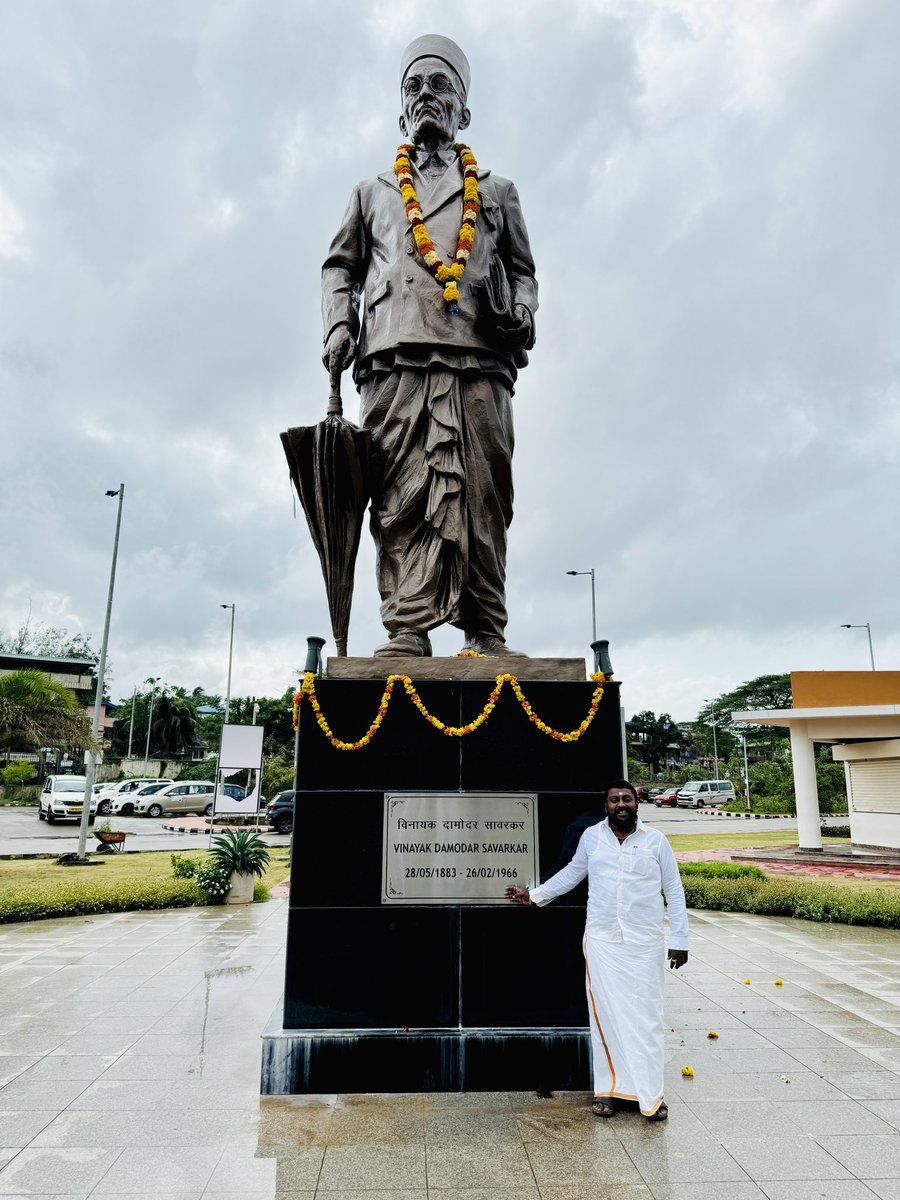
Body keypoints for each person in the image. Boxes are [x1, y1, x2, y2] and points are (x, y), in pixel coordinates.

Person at [321, 35, 538, 658]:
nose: (426, 97)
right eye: (414, 87)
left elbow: (524, 273)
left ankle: (485, 628)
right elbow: (340, 267)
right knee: (399, 492)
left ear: (463, 110)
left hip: (480, 353)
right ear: (400, 110)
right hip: (394, 354)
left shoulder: (497, 193)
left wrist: (519, 311)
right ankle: (406, 628)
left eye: (440, 86)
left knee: (485, 490)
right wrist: (339, 323)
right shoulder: (372, 192)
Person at [506, 781, 689, 1120]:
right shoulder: (592, 837)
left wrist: (680, 940)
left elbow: (673, 891)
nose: (621, 804)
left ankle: (650, 1096)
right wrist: (535, 895)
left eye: (627, 799)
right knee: (604, 1015)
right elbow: (572, 874)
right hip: (603, 942)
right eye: (614, 799)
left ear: (637, 803)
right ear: (605, 805)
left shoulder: (656, 841)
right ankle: (607, 1091)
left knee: (647, 1019)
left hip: (644, 944)